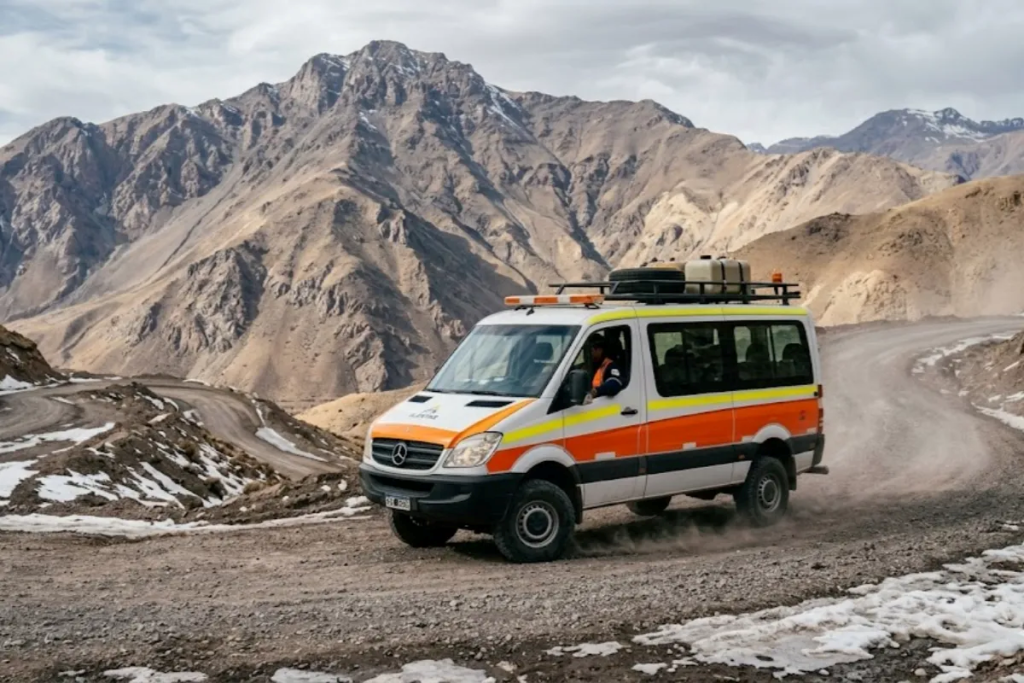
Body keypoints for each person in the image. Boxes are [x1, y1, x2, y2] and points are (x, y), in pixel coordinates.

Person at [588, 335, 625, 399]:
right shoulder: (592, 365)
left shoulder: (610, 366)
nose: (590, 353)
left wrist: (596, 391)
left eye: (591, 350)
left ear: (599, 350)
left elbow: (614, 384)